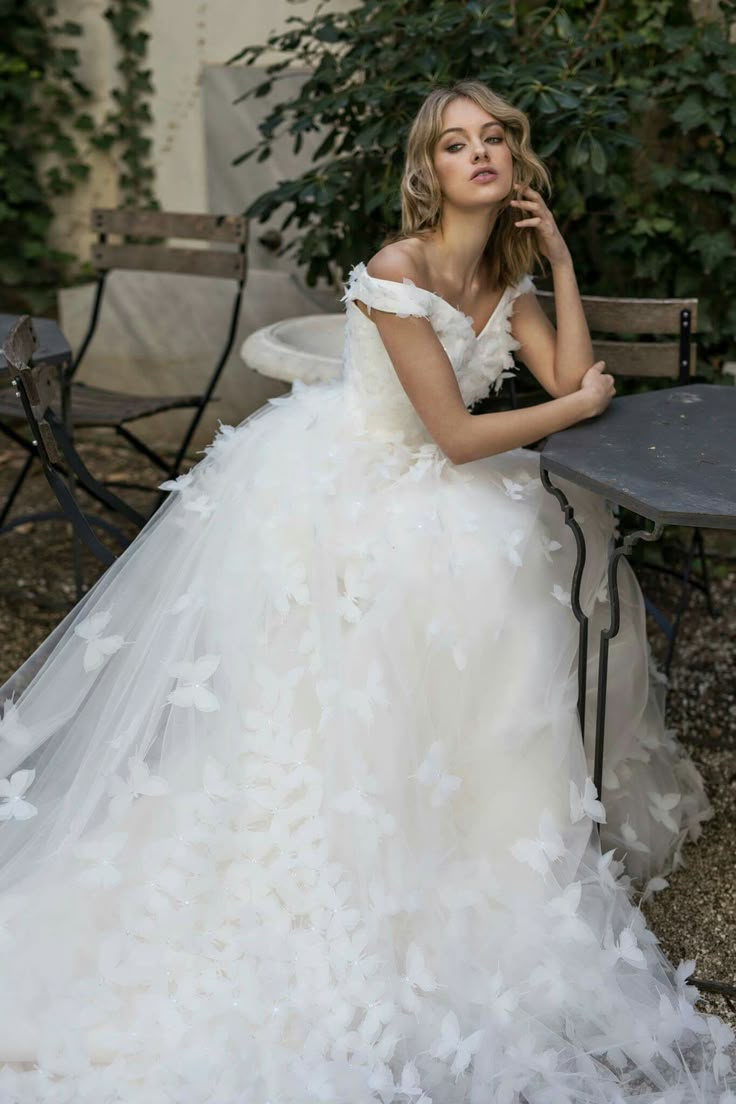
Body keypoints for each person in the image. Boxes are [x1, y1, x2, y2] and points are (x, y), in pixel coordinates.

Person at [0, 78, 731, 1103]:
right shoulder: (397, 269)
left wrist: (559, 262)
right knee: (477, 575)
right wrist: (573, 398)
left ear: (515, 164)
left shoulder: (507, 275)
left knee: (541, 555)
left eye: (492, 141)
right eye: (453, 145)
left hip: (452, 477)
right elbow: (457, 434)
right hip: (353, 484)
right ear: (427, 170)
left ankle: (500, 844)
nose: (477, 155)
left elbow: (567, 375)